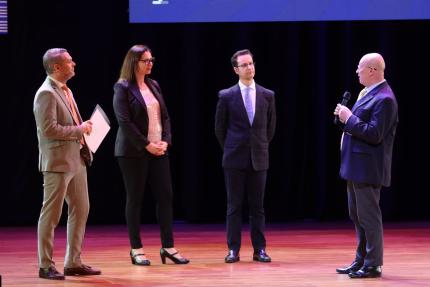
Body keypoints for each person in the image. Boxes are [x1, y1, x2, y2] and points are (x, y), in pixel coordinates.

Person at [113, 44, 189, 266]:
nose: (150, 63)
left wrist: (165, 140)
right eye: (146, 60)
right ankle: (136, 249)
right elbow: (124, 122)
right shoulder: (122, 87)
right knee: (135, 199)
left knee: (165, 197)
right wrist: (146, 144)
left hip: (158, 149)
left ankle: (168, 247)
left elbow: (165, 116)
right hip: (133, 152)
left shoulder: (153, 84)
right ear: (134, 62)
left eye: (151, 59)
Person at [33, 48, 101, 280]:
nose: (74, 64)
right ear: (56, 67)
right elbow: (49, 129)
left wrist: (85, 127)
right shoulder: (46, 93)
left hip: (76, 159)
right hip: (57, 162)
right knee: (51, 215)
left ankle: (73, 262)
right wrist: (79, 130)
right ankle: (45, 265)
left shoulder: (66, 90)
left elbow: (69, 121)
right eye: (69, 62)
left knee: (81, 209)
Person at [333, 53, 398, 278]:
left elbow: (375, 134)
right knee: (357, 215)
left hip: (368, 168)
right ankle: (360, 259)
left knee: (369, 216)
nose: (357, 71)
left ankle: (373, 264)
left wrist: (349, 117)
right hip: (355, 166)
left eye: (360, 68)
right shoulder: (368, 93)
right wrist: (345, 118)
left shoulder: (385, 99)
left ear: (372, 70)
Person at [215, 49, 276, 263]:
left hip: (259, 158)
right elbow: (219, 129)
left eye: (251, 63)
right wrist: (232, 148)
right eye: (244, 65)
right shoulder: (226, 95)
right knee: (234, 206)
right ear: (236, 69)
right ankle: (233, 250)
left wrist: (257, 147)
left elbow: (270, 129)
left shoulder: (268, 95)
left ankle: (259, 249)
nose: (249, 68)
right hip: (234, 159)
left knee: (257, 208)